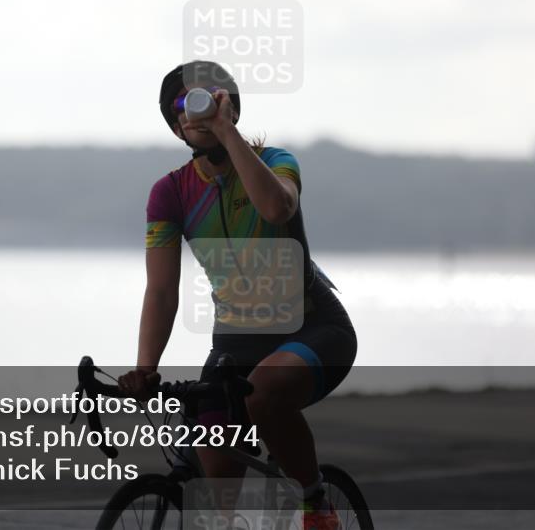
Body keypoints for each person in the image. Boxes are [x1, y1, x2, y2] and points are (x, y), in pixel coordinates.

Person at [118, 61, 358, 530]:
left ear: (232, 107)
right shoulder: (170, 194)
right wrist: (145, 368)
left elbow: (276, 208)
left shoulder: (277, 162)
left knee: (262, 394)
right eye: (187, 105)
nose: (200, 112)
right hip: (234, 345)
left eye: (212, 99)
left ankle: (316, 504)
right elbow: (162, 291)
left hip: (313, 329)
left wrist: (227, 133)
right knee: (218, 500)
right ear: (175, 126)